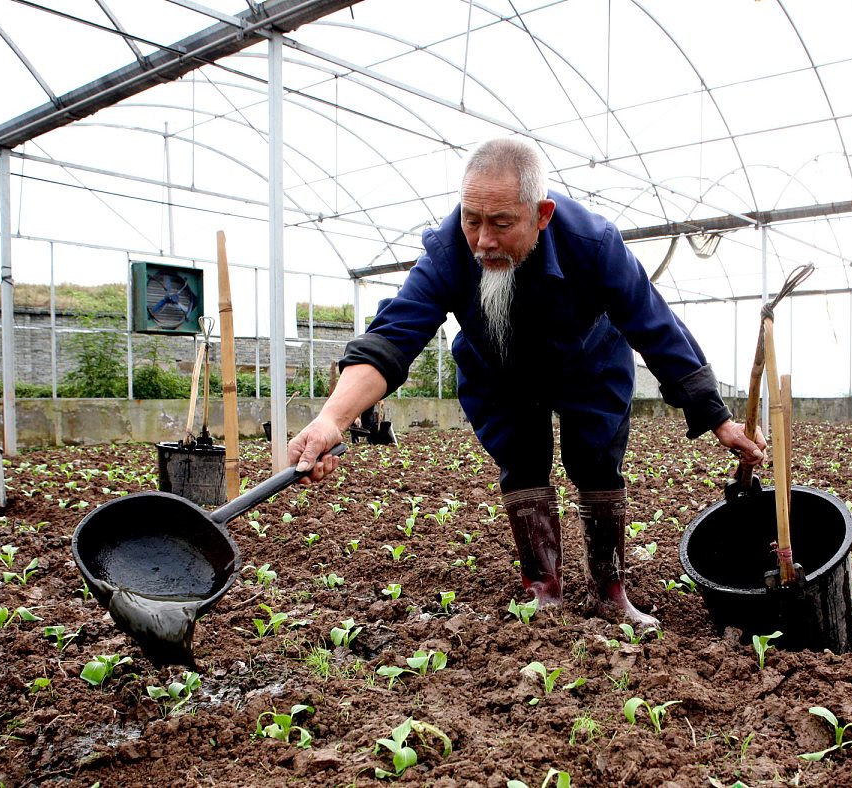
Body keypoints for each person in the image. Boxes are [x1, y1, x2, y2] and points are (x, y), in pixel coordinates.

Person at [288, 137, 766, 627]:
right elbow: (391, 338)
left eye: (501, 224)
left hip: (590, 367)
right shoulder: (449, 251)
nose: (483, 241)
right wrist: (331, 419)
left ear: (542, 214)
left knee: (598, 463)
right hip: (498, 373)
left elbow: (655, 325)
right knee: (522, 464)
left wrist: (717, 418)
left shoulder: (594, 244)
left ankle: (609, 591)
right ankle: (544, 592)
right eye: (472, 219)